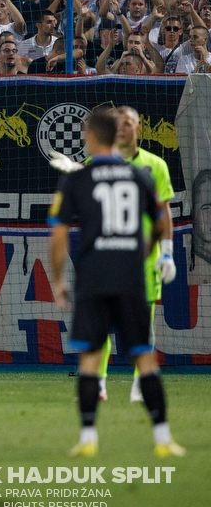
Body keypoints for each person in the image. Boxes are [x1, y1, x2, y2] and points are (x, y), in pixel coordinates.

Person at [48, 107, 183, 458]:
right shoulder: (140, 176)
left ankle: (89, 438)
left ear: (92, 136)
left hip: (93, 278)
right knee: (145, 357)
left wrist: (58, 279)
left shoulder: (78, 179)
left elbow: (59, 235)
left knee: (90, 359)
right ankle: (164, 438)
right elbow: (159, 221)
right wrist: (150, 253)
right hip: (130, 278)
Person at [85, 106, 177, 404]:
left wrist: (167, 253)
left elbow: (163, 213)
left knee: (141, 326)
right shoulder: (93, 163)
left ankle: (140, 383)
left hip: (143, 260)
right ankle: (98, 384)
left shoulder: (155, 165)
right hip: (105, 258)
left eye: (127, 123)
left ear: (139, 128)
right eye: (116, 124)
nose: (121, 128)